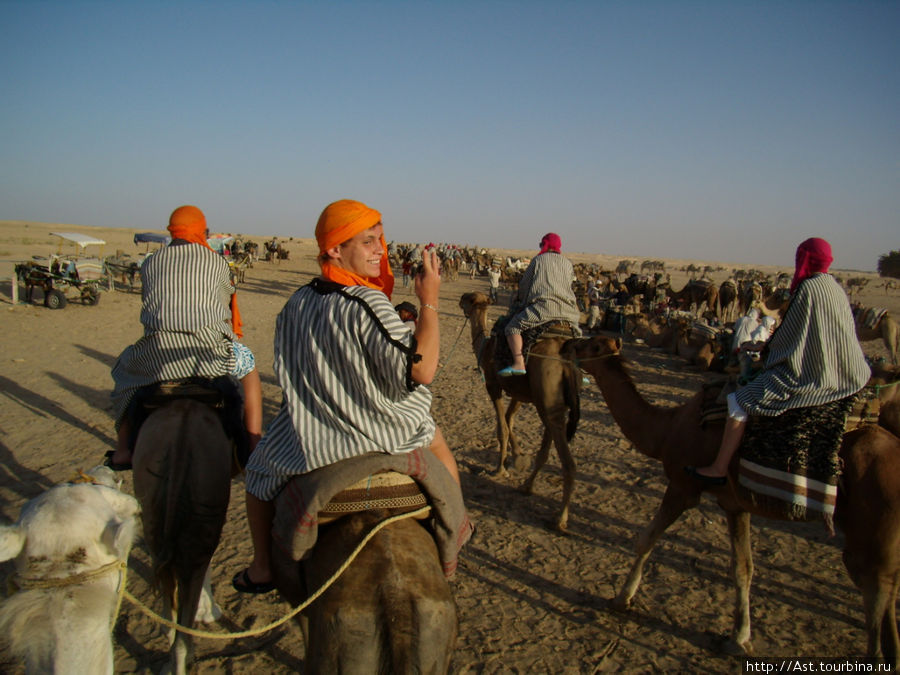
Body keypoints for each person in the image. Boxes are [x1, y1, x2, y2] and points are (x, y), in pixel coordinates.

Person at [234, 199, 461, 593]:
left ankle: (262, 567)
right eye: (368, 242)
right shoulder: (367, 302)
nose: (380, 251)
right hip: (382, 433)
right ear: (335, 250)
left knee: (257, 475)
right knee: (437, 442)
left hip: (311, 437)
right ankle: (454, 540)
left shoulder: (295, 304)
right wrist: (430, 301)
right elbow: (421, 370)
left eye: (380, 241)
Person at [686, 238, 870, 485]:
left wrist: (765, 350)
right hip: (850, 373)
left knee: (738, 401)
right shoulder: (835, 288)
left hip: (816, 375)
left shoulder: (808, 289)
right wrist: (766, 344)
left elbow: (791, 335)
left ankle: (719, 468)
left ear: (804, 259)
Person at [107, 205, 263, 470]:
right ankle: (253, 446)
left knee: (122, 375)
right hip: (208, 356)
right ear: (201, 230)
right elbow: (226, 299)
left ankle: (123, 451)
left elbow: (148, 302)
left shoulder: (152, 262)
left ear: (173, 230)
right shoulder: (216, 261)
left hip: (157, 355)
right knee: (249, 370)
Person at [498, 233, 582, 376]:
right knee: (577, 338)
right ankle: (576, 370)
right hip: (569, 313)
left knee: (512, 328)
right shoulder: (567, 263)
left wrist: (521, 301)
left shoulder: (538, 260)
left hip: (543, 310)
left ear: (545, 244)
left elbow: (525, 285)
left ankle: (519, 363)